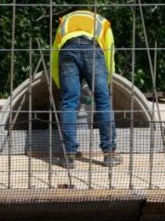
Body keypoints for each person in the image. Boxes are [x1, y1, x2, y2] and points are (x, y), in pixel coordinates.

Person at [50, 9, 118, 169]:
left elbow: (54, 56)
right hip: (93, 50)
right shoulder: (103, 23)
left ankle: (69, 156)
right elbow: (109, 54)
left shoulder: (64, 22)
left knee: (69, 104)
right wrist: (106, 83)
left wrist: (62, 87)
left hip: (67, 51)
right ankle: (109, 155)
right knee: (103, 103)